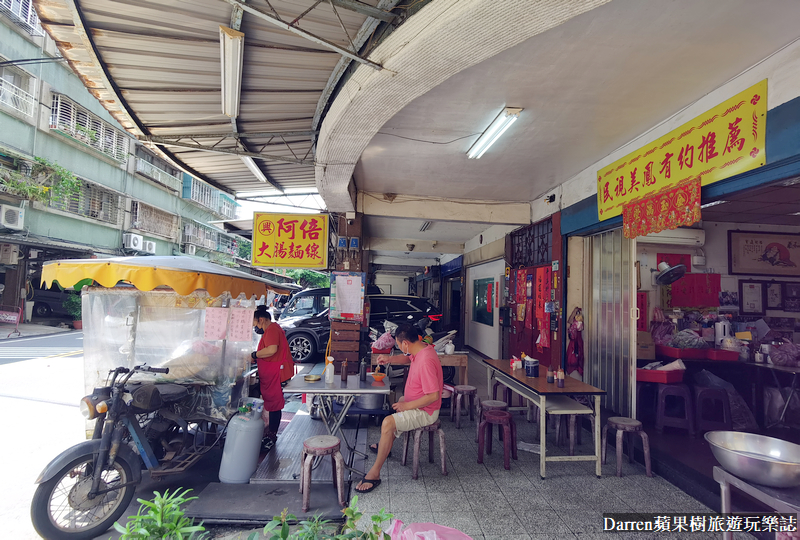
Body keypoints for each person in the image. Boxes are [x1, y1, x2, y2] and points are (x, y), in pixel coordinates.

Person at [355, 323, 443, 494]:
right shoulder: (421, 348)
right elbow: (407, 358)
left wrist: (407, 406)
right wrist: (389, 359)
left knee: (388, 422)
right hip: (418, 404)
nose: (400, 349)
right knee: (399, 403)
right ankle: (384, 446)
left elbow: (433, 395)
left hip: (427, 412)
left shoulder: (426, 361)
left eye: (398, 345)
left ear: (405, 344)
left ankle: (374, 474)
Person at [252, 305, 291, 452]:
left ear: (261, 320)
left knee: (275, 405)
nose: (255, 328)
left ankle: (272, 436)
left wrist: (254, 355)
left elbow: (271, 350)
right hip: (272, 372)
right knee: (273, 404)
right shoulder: (271, 329)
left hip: (275, 372)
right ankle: (271, 434)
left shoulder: (272, 329)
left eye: (255, 324)